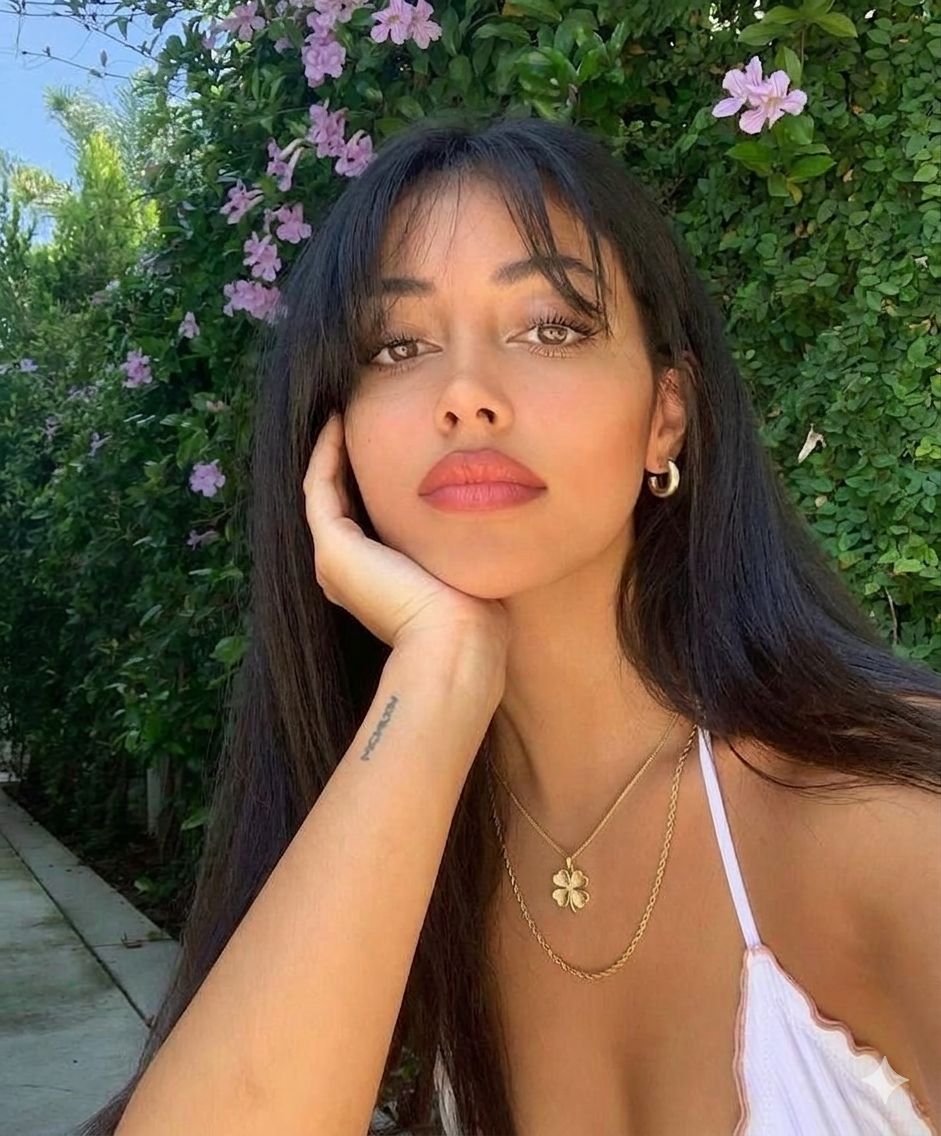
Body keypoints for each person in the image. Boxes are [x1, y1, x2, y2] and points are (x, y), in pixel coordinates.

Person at [82, 112, 940, 1136]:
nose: (466, 397)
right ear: (333, 436)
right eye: (398, 345)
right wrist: (437, 675)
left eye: (550, 327)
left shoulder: (885, 813)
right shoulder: (413, 843)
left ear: (664, 416)